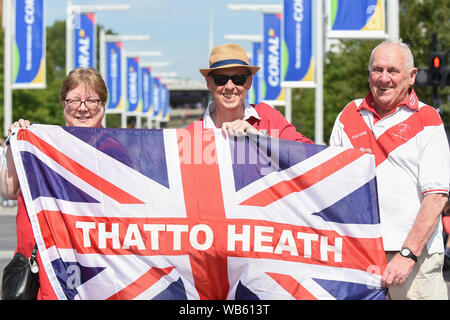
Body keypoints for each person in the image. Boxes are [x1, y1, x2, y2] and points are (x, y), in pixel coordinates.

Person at [329, 39, 449, 299]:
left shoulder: (427, 119)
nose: (384, 78)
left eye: (393, 71)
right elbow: (332, 187)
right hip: (359, 257)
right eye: (377, 70)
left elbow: (437, 196)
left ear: (412, 76)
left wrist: (408, 255)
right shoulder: (348, 115)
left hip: (416, 259)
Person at [0, 67, 109, 299]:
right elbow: (8, 190)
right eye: (74, 100)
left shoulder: (115, 151)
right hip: (45, 269)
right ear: (63, 104)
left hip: (97, 268)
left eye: (92, 100)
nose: (82, 107)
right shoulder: (38, 143)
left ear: (103, 104)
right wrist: (15, 144)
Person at [187, 43, 313, 143]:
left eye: (238, 79)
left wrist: (260, 139)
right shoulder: (192, 134)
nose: (230, 86)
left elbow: (310, 156)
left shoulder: (269, 118)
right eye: (221, 79)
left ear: (249, 82)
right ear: (209, 83)